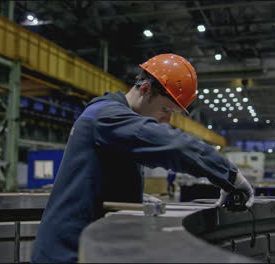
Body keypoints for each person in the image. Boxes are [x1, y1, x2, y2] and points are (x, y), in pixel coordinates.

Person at [31, 53, 254, 263]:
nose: (166, 120)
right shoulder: (107, 117)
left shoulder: (111, 119)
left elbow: (98, 173)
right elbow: (174, 146)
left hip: (84, 247)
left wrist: (135, 195)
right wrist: (229, 175)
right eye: (166, 109)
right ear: (145, 89)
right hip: (66, 253)